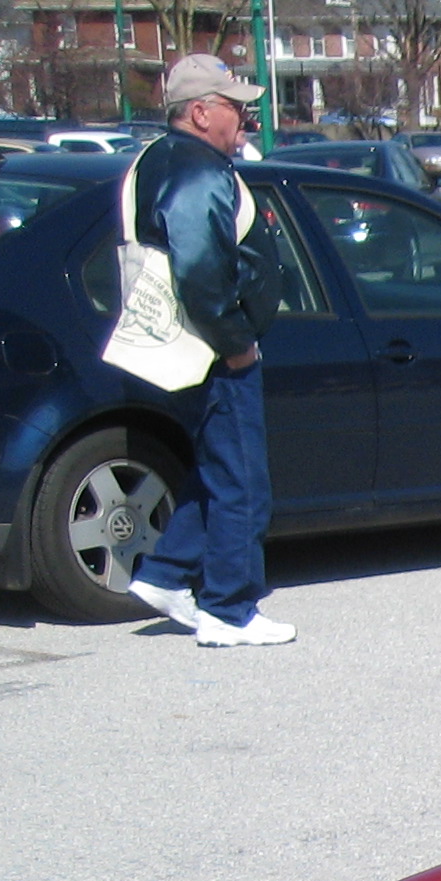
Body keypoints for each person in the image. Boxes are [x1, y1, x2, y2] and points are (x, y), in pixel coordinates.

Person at [125, 54, 292, 648]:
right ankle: (229, 608)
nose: (246, 117)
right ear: (199, 112)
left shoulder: (158, 161)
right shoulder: (197, 170)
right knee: (244, 481)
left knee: (221, 471)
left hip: (179, 346)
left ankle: (168, 573)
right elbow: (198, 264)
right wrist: (236, 342)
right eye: (234, 106)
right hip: (211, 350)